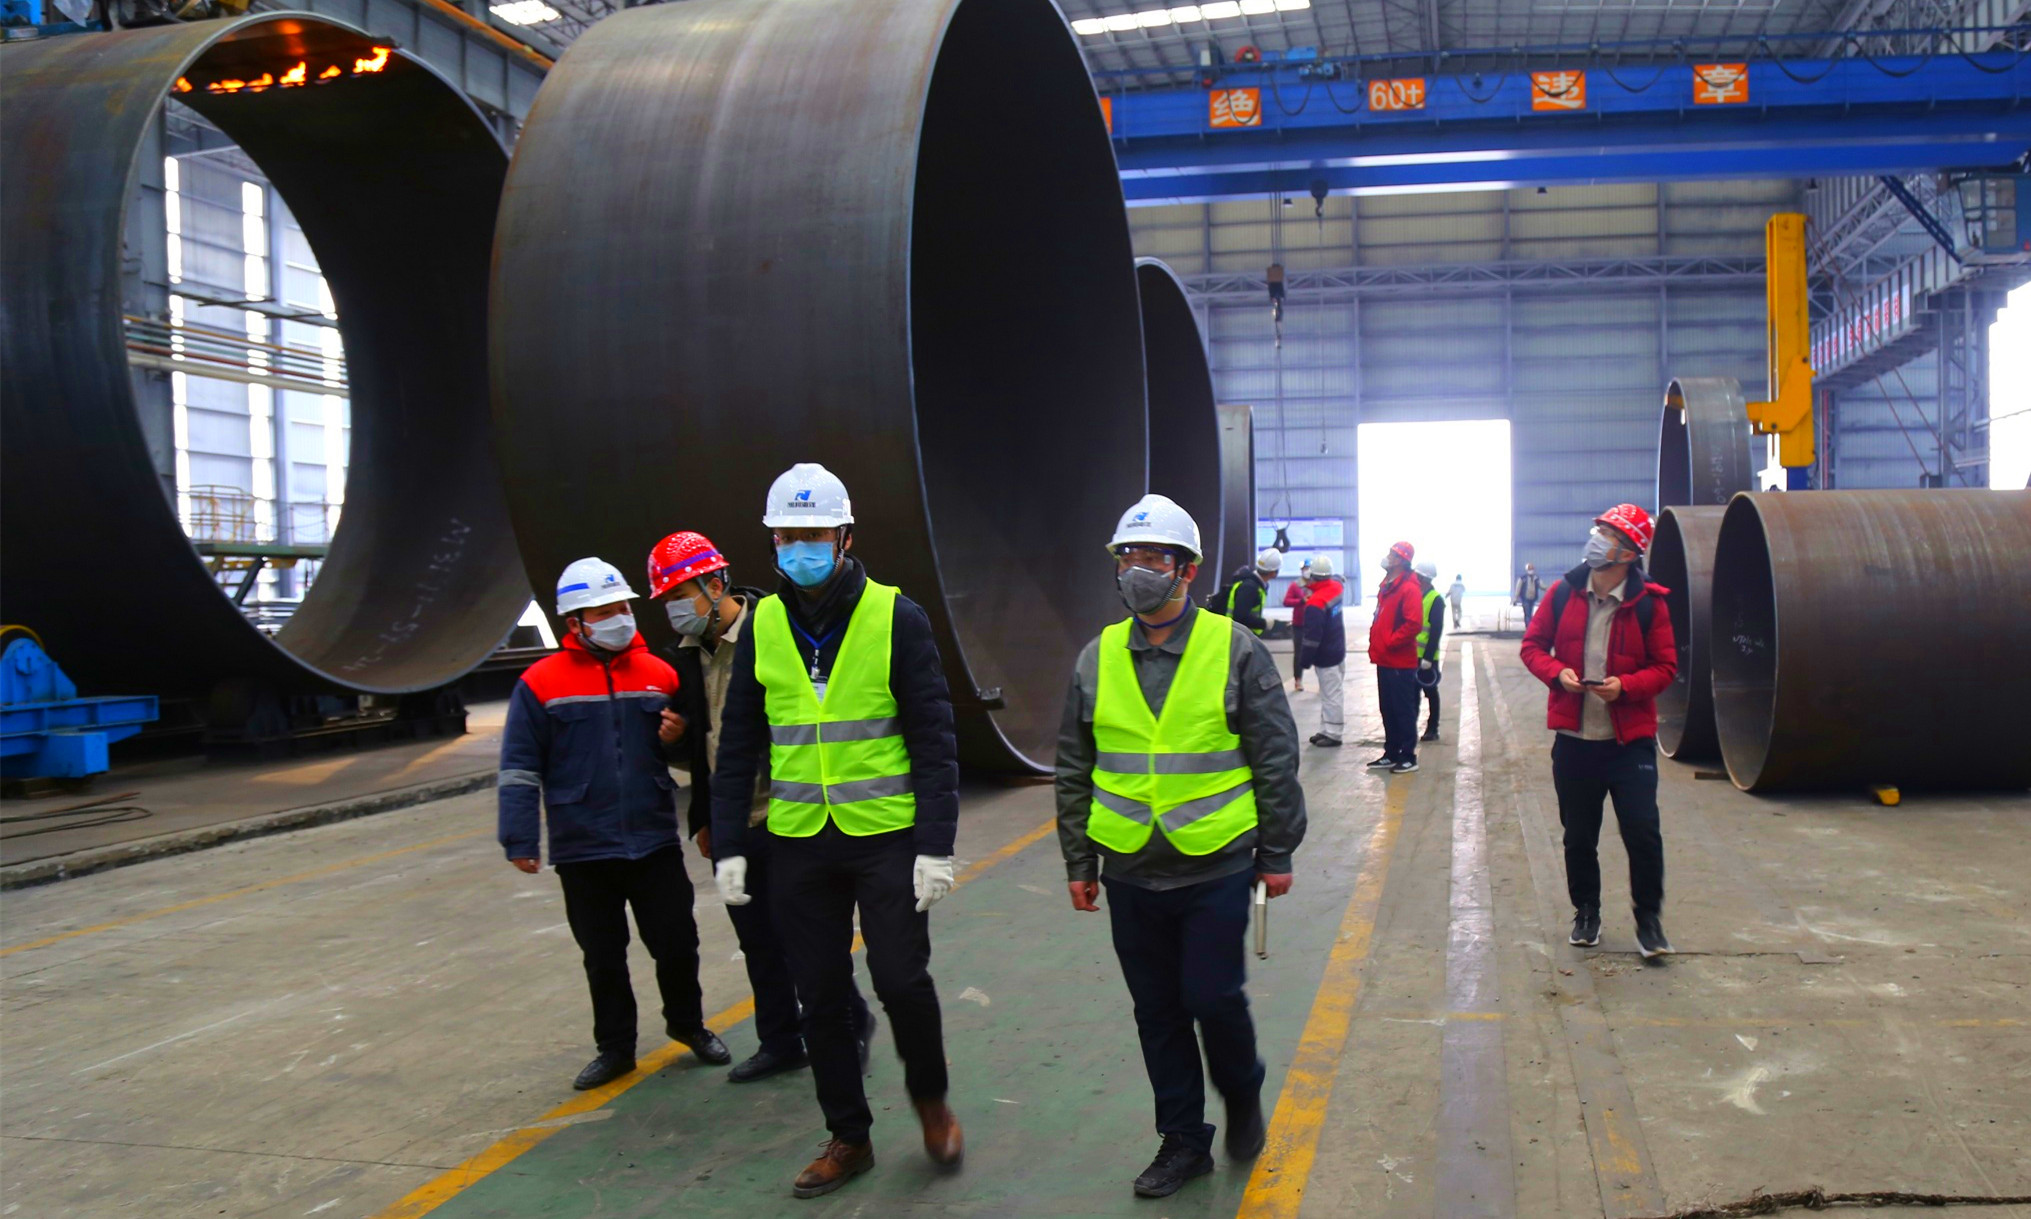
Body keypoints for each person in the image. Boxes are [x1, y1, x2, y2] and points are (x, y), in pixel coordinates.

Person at [707, 462, 963, 1198]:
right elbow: (739, 743)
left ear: (845, 537)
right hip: (798, 841)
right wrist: (730, 844)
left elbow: (933, 738)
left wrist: (935, 845)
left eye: (814, 534)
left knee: (901, 980)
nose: (801, 549)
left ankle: (931, 1102)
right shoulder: (763, 626)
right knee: (818, 994)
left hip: (884, 835)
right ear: (772, 542)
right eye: (788, 537)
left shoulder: (896, 617)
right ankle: (849, 1135)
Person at [1054, 493, 1307, 1200]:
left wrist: (1277, 852)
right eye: (1128, 557)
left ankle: (1242, 1090)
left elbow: (1274, 755)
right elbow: (1074, 765)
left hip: (1214, 862)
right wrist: (1078, 860)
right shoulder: (1096, 657)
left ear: (1187, 570)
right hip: (1130, 868)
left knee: (1212, 997)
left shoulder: (1234, 648)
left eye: (1153, 557)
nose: (1137, 569)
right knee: (1157, 1011)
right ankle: (1183, 1140)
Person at [648, 530, 875, 1086]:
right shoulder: (685, 657)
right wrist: (705, 813)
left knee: (807, 937)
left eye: (681, 595)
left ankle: (849, 1023)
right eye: (668, 599)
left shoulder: (776, 628)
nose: (675, 609)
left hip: (789, 812)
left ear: (714, 584)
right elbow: (708, 745)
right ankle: (780, 1042)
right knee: (757, 941)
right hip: (734, 819)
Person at [498, 557, 731, 1092]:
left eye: (623, 607)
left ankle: (688, 1024)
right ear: (575, 623)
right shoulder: (540, 683)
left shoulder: (660, 673)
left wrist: (675, 738)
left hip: (652, 837)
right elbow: (519, 765)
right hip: (583, 845)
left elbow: (690, 749)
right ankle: (615, 1048)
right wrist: (519, 837)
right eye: (605, 612)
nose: (621, 618)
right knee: (603, 955)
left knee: (677, 942)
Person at [1518, 504, 1678, 960]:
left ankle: (1649, 921)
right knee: (1578, 835)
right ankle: (1586, 911)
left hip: (1629, 743)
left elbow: (1665, 666)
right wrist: (1557, 674)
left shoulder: (1649, 603)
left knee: (1642, 831)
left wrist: (1626, 687)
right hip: (1575, 742)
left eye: (1607, 535)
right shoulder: (1563, 593)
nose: (1596, 540)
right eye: (1599, 531)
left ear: (1627, 553)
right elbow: (1532, 646)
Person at [1366, 541, 1424, 773]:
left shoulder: (1408, 589)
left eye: (1392, 554)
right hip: (1385, 659)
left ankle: (1408, 756)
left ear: (1401, 560)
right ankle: (1391, 752)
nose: (1388, 557)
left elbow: (1413, 624)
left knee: (1402, 710)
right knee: (1387, 708)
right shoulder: (1387, 586)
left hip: (1399, 661)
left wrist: (1390, 642)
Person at [1295, 556, 1346, 748]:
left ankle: (1334, 734)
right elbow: (1338, 579)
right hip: (1337, 650)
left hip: (1326, 655)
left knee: (1331, 695)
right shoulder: (1336, 589)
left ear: (1312, 576)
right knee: (1328, 693)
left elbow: (1311, 638)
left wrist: (1304, 661)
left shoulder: (1316, 603)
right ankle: (1326, 729)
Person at [1212, 547, 1284, 636]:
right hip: (1235, 635)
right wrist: (1267, 624)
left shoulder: (1252, 584)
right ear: (1273, 573)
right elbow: (1241, 617)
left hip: (1238, 632)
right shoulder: (1250, 588)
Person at [1413, 560, 1445, 743]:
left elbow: (1435, 631)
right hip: (1412, 655)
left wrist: (1427, 657)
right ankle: (1411, 726)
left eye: (1416, 576)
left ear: (1423, 578)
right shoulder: (1415, 596)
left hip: (1427, 657)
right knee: (1412, 694)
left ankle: (1433, 728)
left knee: (1430, 692)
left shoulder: (1435, 599)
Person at [1282, 558, 1311, 690]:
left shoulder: (1316, 584)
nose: (1307, 571)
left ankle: (1322, 681)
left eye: (1309, 569)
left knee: (1318, 652)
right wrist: (1301, 601)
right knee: (1299, 653)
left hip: (1314, 624)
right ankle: (1298, 680)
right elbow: (1286, 601)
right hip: (1299, 625)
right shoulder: (1295, 585)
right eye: (1305, 569)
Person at [1513, 562, 1543, 630]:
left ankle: (1529, 628)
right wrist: (1515, 599)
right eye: (1530, 569)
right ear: (1527, 569)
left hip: (1532, 599)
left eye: (1532, 568)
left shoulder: (1536, 578)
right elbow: (1518, 589)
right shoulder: (1522, 579)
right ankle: (1529, 628)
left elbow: (1542, 585)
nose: (1531, 570)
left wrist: (1550, 589)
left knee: (1530, 614)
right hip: (1525, 599)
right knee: (1527, 614)